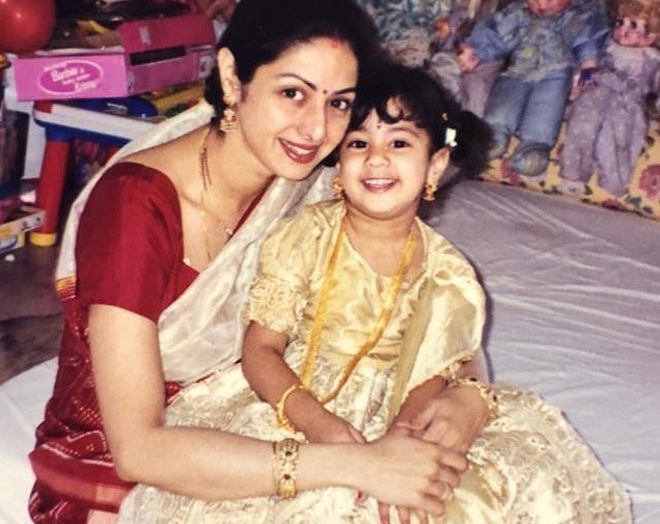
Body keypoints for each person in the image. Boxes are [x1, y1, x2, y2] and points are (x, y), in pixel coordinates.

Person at [117, 62, 631, 524]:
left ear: (434, 166)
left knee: (466, 495)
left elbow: (437, 370)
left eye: (399, 143)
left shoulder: (449, 274)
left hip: (403, 410)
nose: (377, 159)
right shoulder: (305, 235)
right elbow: (260, 349)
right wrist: (317, 423)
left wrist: (402, 443)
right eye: (358, 144)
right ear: (338, 165)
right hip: (292, 402)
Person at [27, 0, 468, 522]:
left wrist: (465, 400)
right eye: (292, 93)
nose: (316, 130)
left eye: (338, 103)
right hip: (122, 460)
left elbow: (433, 294)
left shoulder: (311, 184)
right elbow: (138, 449)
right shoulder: (135, 207)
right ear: (233, 78)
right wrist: (354, 464)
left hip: (255, 415)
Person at [457, 0, 609, 175]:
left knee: (546, 108)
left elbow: (586, 41)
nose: (541, 3)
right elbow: (498, 34)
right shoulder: (519, 14)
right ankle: (493, 133)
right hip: (518, 69)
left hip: (555, 73)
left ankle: (534, 146)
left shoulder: (576, 16)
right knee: (505, 100)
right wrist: (478, 52)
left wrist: (588, 65)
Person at [560, 0, 660, 195]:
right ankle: (573, 173)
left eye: (633, 25)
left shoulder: (652, 59)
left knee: (617, 141)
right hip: (594, 95)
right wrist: (579, 79)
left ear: (652, 35)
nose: (623, 29)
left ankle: (613, 181)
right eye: (620, 22)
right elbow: (586, 64)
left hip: (626, 104)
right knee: (581, 127)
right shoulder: (607, 46)